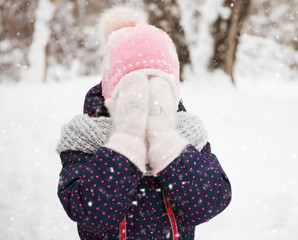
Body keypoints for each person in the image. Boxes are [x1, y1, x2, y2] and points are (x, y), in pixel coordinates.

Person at [56, 7, 231, 240]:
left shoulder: (188, 134)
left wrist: (166, 140)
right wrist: (128, 137)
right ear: (112, 90)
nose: (147, 99)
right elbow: (91, 213)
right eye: (136, 86)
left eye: (157, 85)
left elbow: (209, 203)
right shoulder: (86, 137)